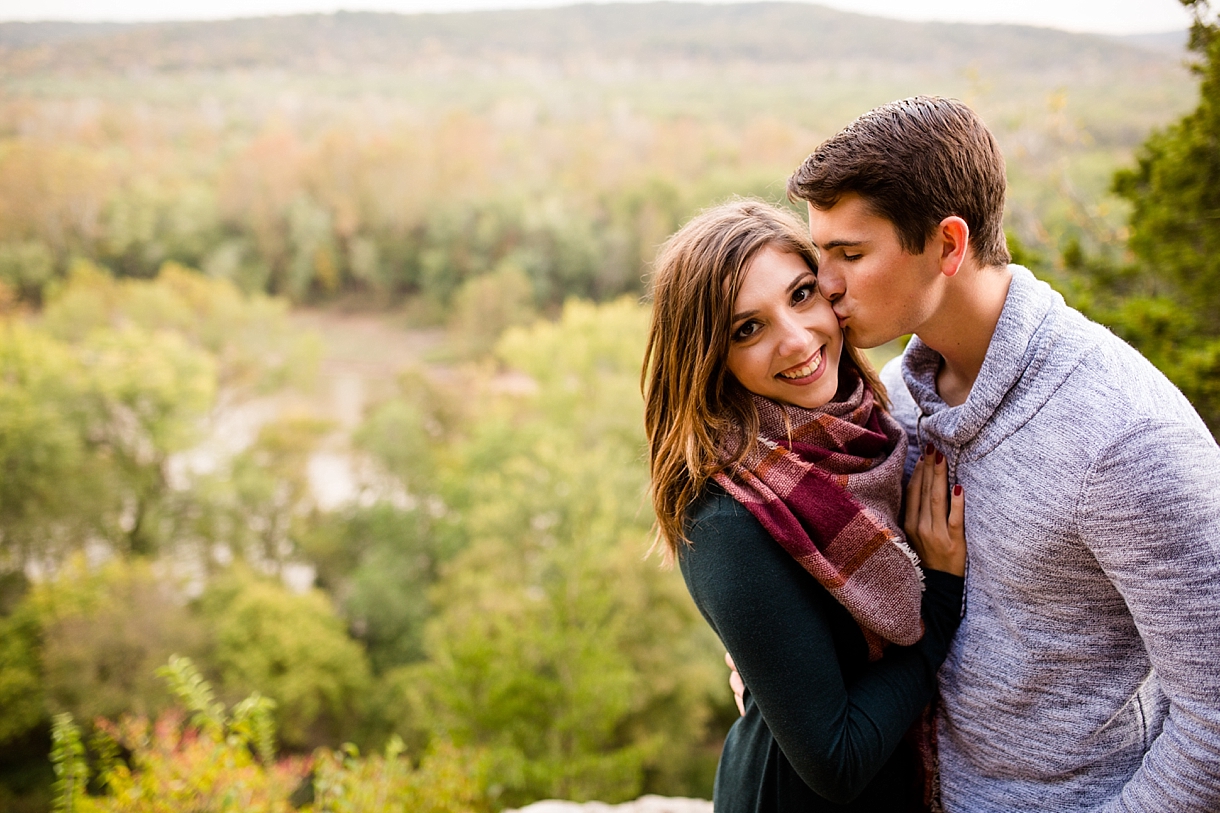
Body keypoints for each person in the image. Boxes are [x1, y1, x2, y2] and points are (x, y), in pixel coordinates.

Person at [773, 95, 1220, 812]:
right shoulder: (900, 397)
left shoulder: (1124, 436)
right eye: (819, 253)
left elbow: (1215, 719)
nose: (825, 286)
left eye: (850, 254)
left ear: (948, 245)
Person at [642, 198, 968, 811]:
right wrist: (942, 598)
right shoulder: (725, 515)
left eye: (800, 295)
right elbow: (835, 762)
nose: (796, 341)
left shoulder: (868, 426)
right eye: (747, 329)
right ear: (710, 357)